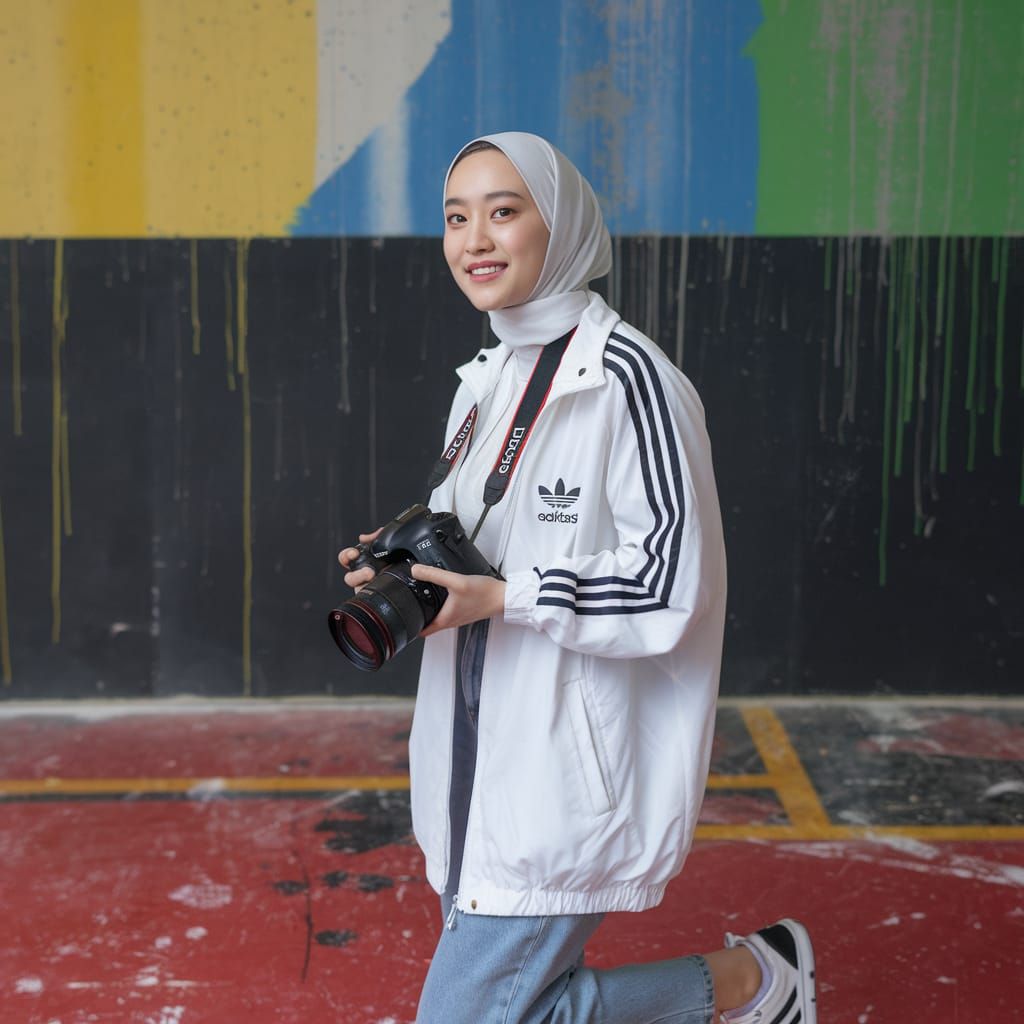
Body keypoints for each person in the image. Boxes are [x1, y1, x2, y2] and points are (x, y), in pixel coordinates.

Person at [339, 132, 816, 1024]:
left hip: (562, 774)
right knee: (524, 1009)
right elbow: (485, 540)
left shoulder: (630, 379)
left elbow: (670, 583)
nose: (475, 240)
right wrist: (400, 566)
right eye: (455, 218)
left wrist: (508, 595)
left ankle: (756, 982)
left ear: (559, 225)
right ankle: (758, 983)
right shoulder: (484, 380)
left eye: (503, 211)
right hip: (472, 764)